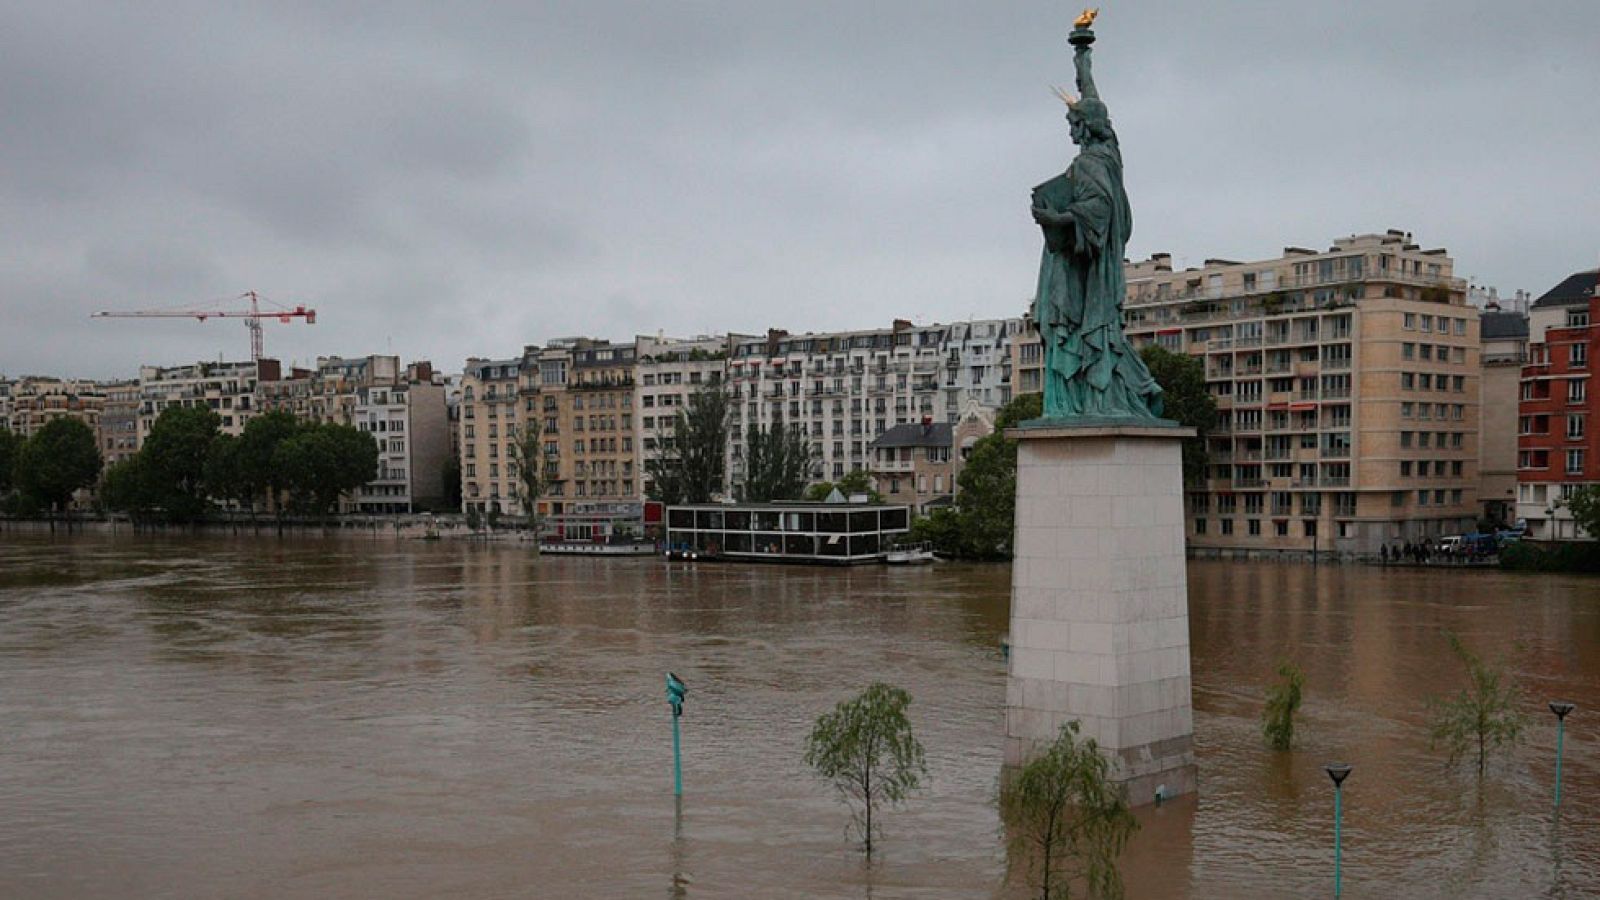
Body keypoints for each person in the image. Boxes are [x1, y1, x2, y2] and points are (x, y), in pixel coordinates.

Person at [1030, 30, 1163, 421]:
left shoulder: (1091, 162)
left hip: (1083, 260)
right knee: (1074, 328)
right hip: (1082, 254)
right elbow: (1091, 98)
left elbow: (1099, 208)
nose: (1070, 130)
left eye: (1073, 123)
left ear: (1086, 126)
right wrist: (1082, 58)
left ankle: (1083, 401)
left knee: (1070, 326)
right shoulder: (1109, 151)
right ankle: (1098, 395)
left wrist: (1057, 219)